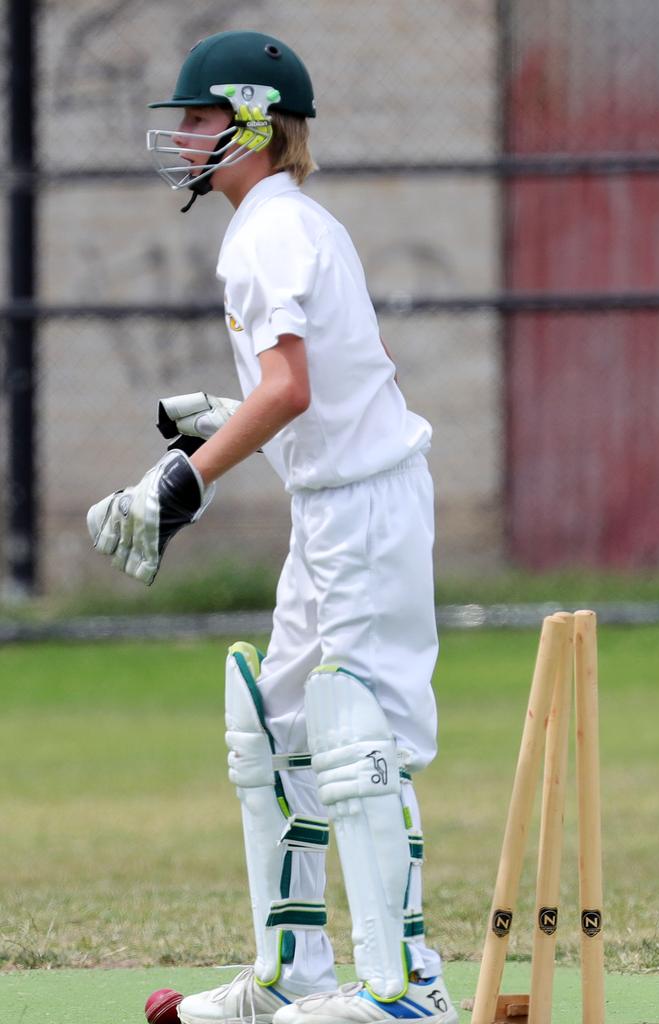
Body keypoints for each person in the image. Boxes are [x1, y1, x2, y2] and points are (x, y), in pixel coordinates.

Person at [87, 29, 458, 1024]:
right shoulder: (285, 221)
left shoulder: (266, 234)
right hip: (334, 504)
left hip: (363, 509)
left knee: (357, 729)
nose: (185, 134)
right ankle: (294, 966)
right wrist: (225, 414)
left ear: (252, 121)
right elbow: (312, 383)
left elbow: (290, 388)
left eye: (201, 117)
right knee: (279, 727)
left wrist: (181, 482)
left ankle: (406, 991)